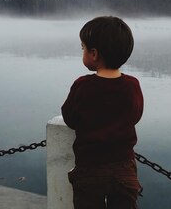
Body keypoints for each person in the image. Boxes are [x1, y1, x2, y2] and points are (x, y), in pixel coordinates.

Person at [62, 16, 144, 209]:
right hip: (125, 167)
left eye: (83, 48)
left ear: (94, 54)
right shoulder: (132, 85)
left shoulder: (83, 85)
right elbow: (136, 116)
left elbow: (70, 118)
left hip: (90, 168)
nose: (82, 52)